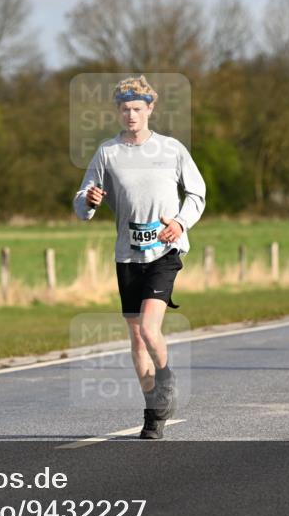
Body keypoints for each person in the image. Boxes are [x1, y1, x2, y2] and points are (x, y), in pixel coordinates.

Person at [73, 75, 206, 439]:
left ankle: (165, 379)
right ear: (117, 111)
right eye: (124, 109)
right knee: (136, 338)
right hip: (128, 254)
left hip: (164, 251)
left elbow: (197, 193)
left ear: (150, 108)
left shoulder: (172, 149)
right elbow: (83, 198)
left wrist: (179, 223)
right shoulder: (108, 152)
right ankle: (153, 413)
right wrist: (89, 201)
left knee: (149, 328)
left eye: (136, 108)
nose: (130, 115)